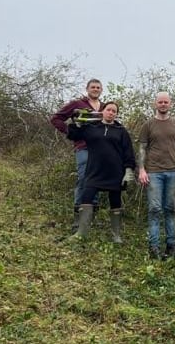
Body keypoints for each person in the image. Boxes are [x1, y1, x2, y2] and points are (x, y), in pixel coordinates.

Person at [66, 102, 136, 242]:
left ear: (116, 114)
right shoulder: (92, 128)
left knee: (115, 202)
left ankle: (116, 235)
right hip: (94, 171)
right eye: (108, 110)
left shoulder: (121, 130)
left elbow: (128, 152)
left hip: (115, 173)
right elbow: (73, 135)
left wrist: (128, 171)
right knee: (86, 198)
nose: (111, 113)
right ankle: (81, 233)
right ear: (103, 111)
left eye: (114, 111)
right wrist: (75, 122)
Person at [137, 92, 175, 260]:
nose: (163, 104)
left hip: (173, 171)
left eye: (166, 102)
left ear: (170, 104)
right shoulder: (148, 125)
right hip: (153, 172)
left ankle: (171, 245)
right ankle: (154, 247)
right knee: (154, 209)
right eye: (160, 102)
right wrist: (142, 169)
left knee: (170, 209)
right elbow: (142, 148)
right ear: (155, 103)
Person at [50, 78, 104, 232]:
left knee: (96, 181)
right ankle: (77, 221)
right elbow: (56, 119)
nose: (95, 89)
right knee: (83, 179)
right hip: (84, 147)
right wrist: (70, 131)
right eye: (92, 87)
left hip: (101, 150)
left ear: (101, 90)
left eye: (98, 87)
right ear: (87, 89)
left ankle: (91, 218)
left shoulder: (104, 107)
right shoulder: (77, 105)